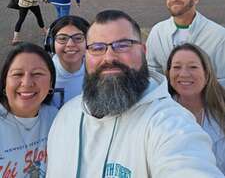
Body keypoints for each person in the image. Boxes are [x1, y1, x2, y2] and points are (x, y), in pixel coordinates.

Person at [46, 10, 224, 178]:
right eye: (98, 48)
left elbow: (188, 164)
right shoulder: (66, 115)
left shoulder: (169, 122)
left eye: (123, 45)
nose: (109, 57)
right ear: (86, 54)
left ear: (143, 52)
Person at [146, 0, 225, 87]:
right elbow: (152, 73)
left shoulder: (218, 36)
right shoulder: (157, 32)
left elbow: (222, 81)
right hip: (167, 103)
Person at [166, 43, 225, 174]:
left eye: (193, 67)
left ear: (206, 73)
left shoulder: (221, 109)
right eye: (176, 67)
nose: (184, 74)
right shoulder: (160, 114)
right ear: (168, 74)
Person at [0, 42, 58, 177]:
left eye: (37, 73)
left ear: (51, 83)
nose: (26, 83)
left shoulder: (56, 118)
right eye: (17, 74)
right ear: (4, 82)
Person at [44, 15, 90, 108]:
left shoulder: (99, 72)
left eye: (78, 38)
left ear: (88, 42)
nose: (70, 44)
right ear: (52, 44)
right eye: (62, 38)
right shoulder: (42, 73)